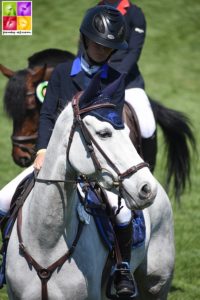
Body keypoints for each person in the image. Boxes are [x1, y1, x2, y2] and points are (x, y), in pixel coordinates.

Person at [0, 6, 136, 297]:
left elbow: (113, 123)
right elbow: (48, 115)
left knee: (123, 217)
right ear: (85, 40)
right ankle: (4, 261)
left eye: (107, 47)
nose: (101, 50)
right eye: (97, 43)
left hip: (95, 164)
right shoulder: (62, 72)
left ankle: (121, 269)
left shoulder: (115, 80)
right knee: (2, 200)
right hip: (53, 160)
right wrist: (41, 151)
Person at [96, 0, 157, 170]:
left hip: (128, 82)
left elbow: (134, 51)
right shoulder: (94, 11)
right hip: (96, 80)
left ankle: (148, 171)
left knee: (147, 125)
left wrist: (118, 77)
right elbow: (83, 49)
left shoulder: (135, 13)